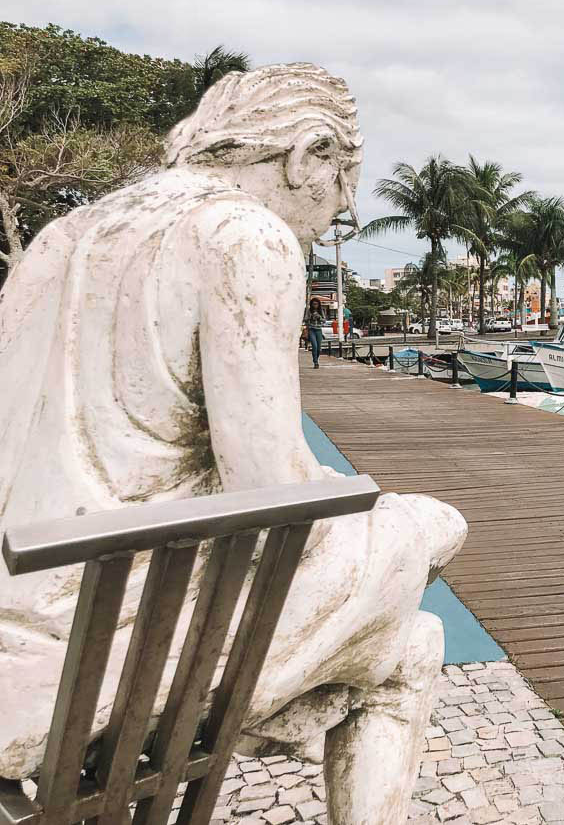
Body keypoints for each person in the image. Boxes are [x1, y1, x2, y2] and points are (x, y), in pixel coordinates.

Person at [0, 63, 466, 823]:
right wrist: (378, 517)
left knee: (410, 645)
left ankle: (317, 678)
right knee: (435, 524)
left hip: (17, 631)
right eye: (344, 181)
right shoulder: (243, 235)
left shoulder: (60, 236)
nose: (340, 207)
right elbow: (276, 502)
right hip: (76, 670)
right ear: (306, 154)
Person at [305, 297, 325, 367]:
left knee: (319, 348)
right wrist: (311, 317)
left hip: (319, 329)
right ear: (311, 304)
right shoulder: (309, 311)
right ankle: (316, 362)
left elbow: (324, 320)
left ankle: (316, 359)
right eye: (314, 304)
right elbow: (305, 319)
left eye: (316, 304)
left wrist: (319, 317)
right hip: (311, 329)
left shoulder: (321, 311)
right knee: (315, 346)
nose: (315, 305)